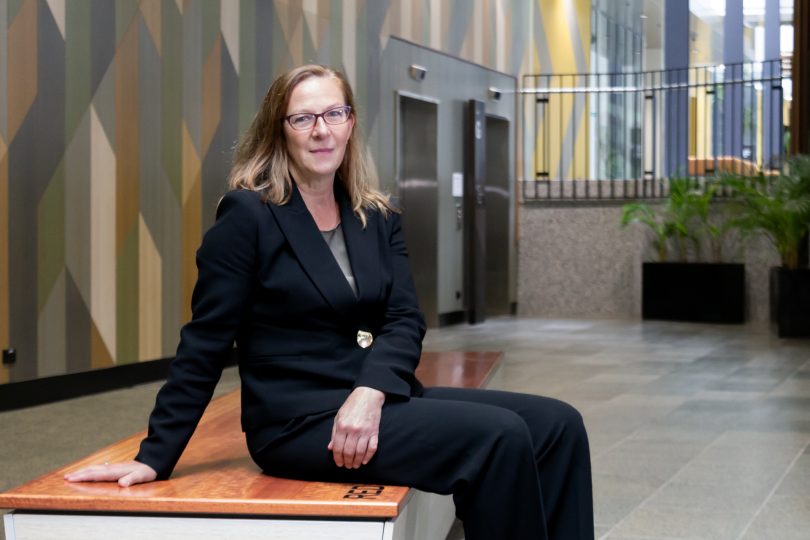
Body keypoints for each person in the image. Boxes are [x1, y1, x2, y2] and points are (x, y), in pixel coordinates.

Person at [65, 64, 594, 539]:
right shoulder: (248, 216)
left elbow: (405, 318)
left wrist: (371, 391)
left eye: (333, 113)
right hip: (302, 422)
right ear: (280, 130)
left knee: (558, 424)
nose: (322, 130)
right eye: (303, 118)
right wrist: (155, 456)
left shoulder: (375, 215)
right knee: (497, 437)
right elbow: (204, 341)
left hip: (378, 402)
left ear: (350, 122)